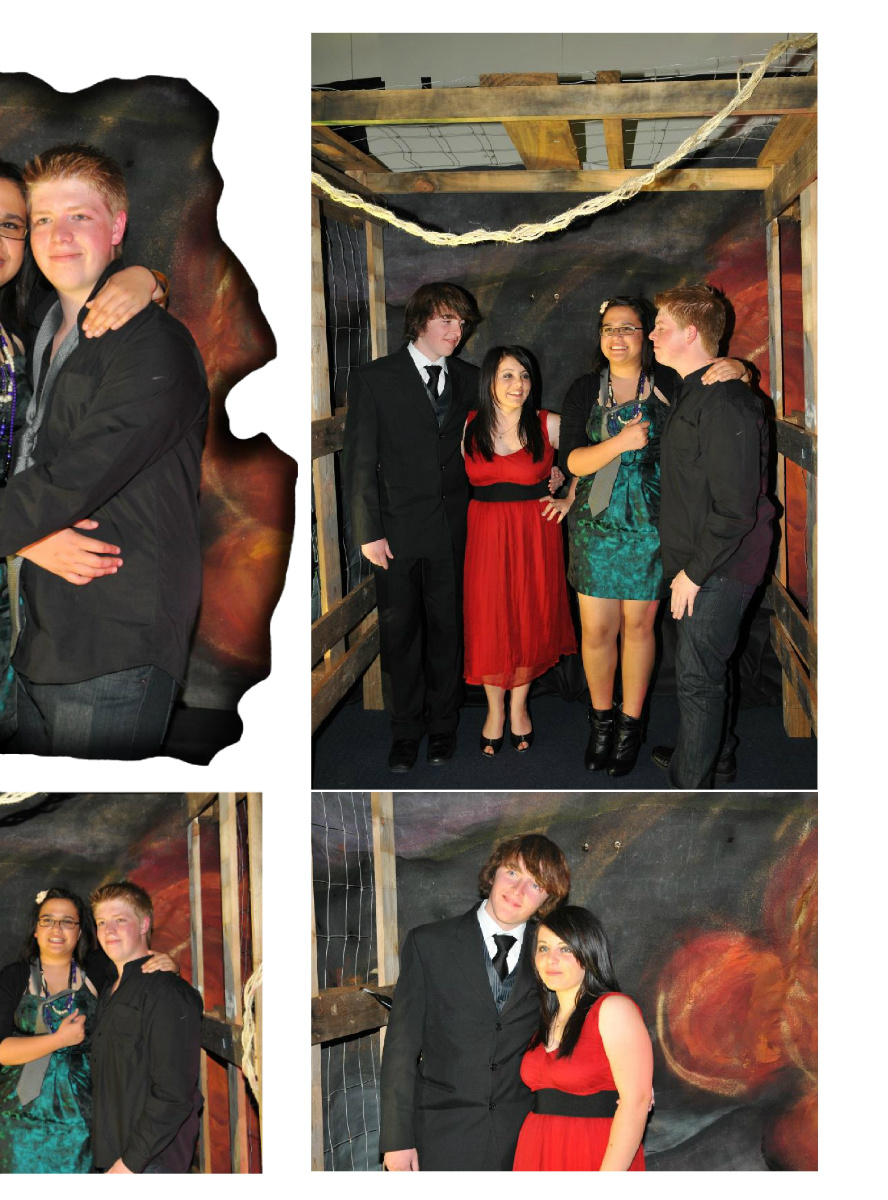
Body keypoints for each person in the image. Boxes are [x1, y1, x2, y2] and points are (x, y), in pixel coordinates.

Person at [0, 145, 209, 758]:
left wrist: (147, 280)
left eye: (79, 217)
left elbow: (75, 476)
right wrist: (26, 541)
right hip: (38, 631)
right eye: (43, 219)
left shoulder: (150, 345)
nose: (58, 235)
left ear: (117, 227)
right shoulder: (39, 331)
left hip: (112, 635)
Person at [561, 296, 747, 776]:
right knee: (596, 631)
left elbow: (714, 388)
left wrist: (741, 368)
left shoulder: (667, 380)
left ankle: (630, 726)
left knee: (639, 629)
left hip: (650, 521)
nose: (617, 337)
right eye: (608, 328)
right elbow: (572, 462)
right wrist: (620, 442)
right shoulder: (584, 388)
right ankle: (600, 723)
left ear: (645, 335)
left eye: (628, 327)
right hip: (595, 524)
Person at [343, 282, 483, 773]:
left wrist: (550, 465)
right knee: (400, 632)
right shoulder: (375, 378)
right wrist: (368, 531)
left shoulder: (472, 378)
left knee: (448, 630)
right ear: (419, 321)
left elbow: (507, 427)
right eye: (447, 320)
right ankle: (405, 731)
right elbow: (360, 460)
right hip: (395, 532)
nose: (456, 331)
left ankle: (443, 726)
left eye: (461, 323)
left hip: (456, 528)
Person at [379, 834, 571, 1171]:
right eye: (513, 872)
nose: (518, 891)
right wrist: (396, 1142)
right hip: (440, 1135)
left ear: (547, 898)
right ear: (494, 871)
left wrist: (623, 1082)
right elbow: (401, 1048)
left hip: (522, 1138)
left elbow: (584, 1019)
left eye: (536, 884)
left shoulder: (554, 955)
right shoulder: (429, 943)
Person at [649, 283, 775, 788]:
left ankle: (689, 789)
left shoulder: (725, 402)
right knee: (706, 668)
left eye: (661, 327)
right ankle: (712, 755)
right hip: (701, 560)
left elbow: (736, 509)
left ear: (691, 333)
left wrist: (694, 574)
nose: (651, 335)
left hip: (721, 565)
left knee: (698, 679)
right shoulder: (696, 388)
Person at [0, 887, 179, 1174]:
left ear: (80, 931)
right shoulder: (13, 976)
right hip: (16, 1114)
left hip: (84, 1110)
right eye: (48, 920)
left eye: (67, 921)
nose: (57, 929)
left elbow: (140, 961)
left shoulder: (99, 968)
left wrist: (171, 964)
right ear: (35, 929)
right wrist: (59, 1040)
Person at [463, 346, 576, 755]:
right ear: (489, 381)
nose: (519, 384)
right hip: (485, 533)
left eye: (525, 375)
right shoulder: (468, 425)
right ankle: (494, 710)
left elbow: (592, 457)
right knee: (490, 617)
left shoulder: (549, 423)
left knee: (529, 615)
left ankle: (518, 706)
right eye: (508, 375)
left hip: (535, 532)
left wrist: (569, 494)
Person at [513, 906, 653, 1171]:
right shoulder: (541, 1020)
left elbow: (636, 1102)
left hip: (594, 1152)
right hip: (537, 1150)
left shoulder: (613, 1009)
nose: (551, 959)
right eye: (543, 948)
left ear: (589, 953)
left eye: (565, 948)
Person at [90, 881, 202, 1174]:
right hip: (113, 1151)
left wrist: (130, 1163)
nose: (108, 930)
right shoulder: (108, 989)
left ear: (144, 924)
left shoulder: (166, 991)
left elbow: (174, 1093)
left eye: (119, 920)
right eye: (101, 922)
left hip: (148, 1162)